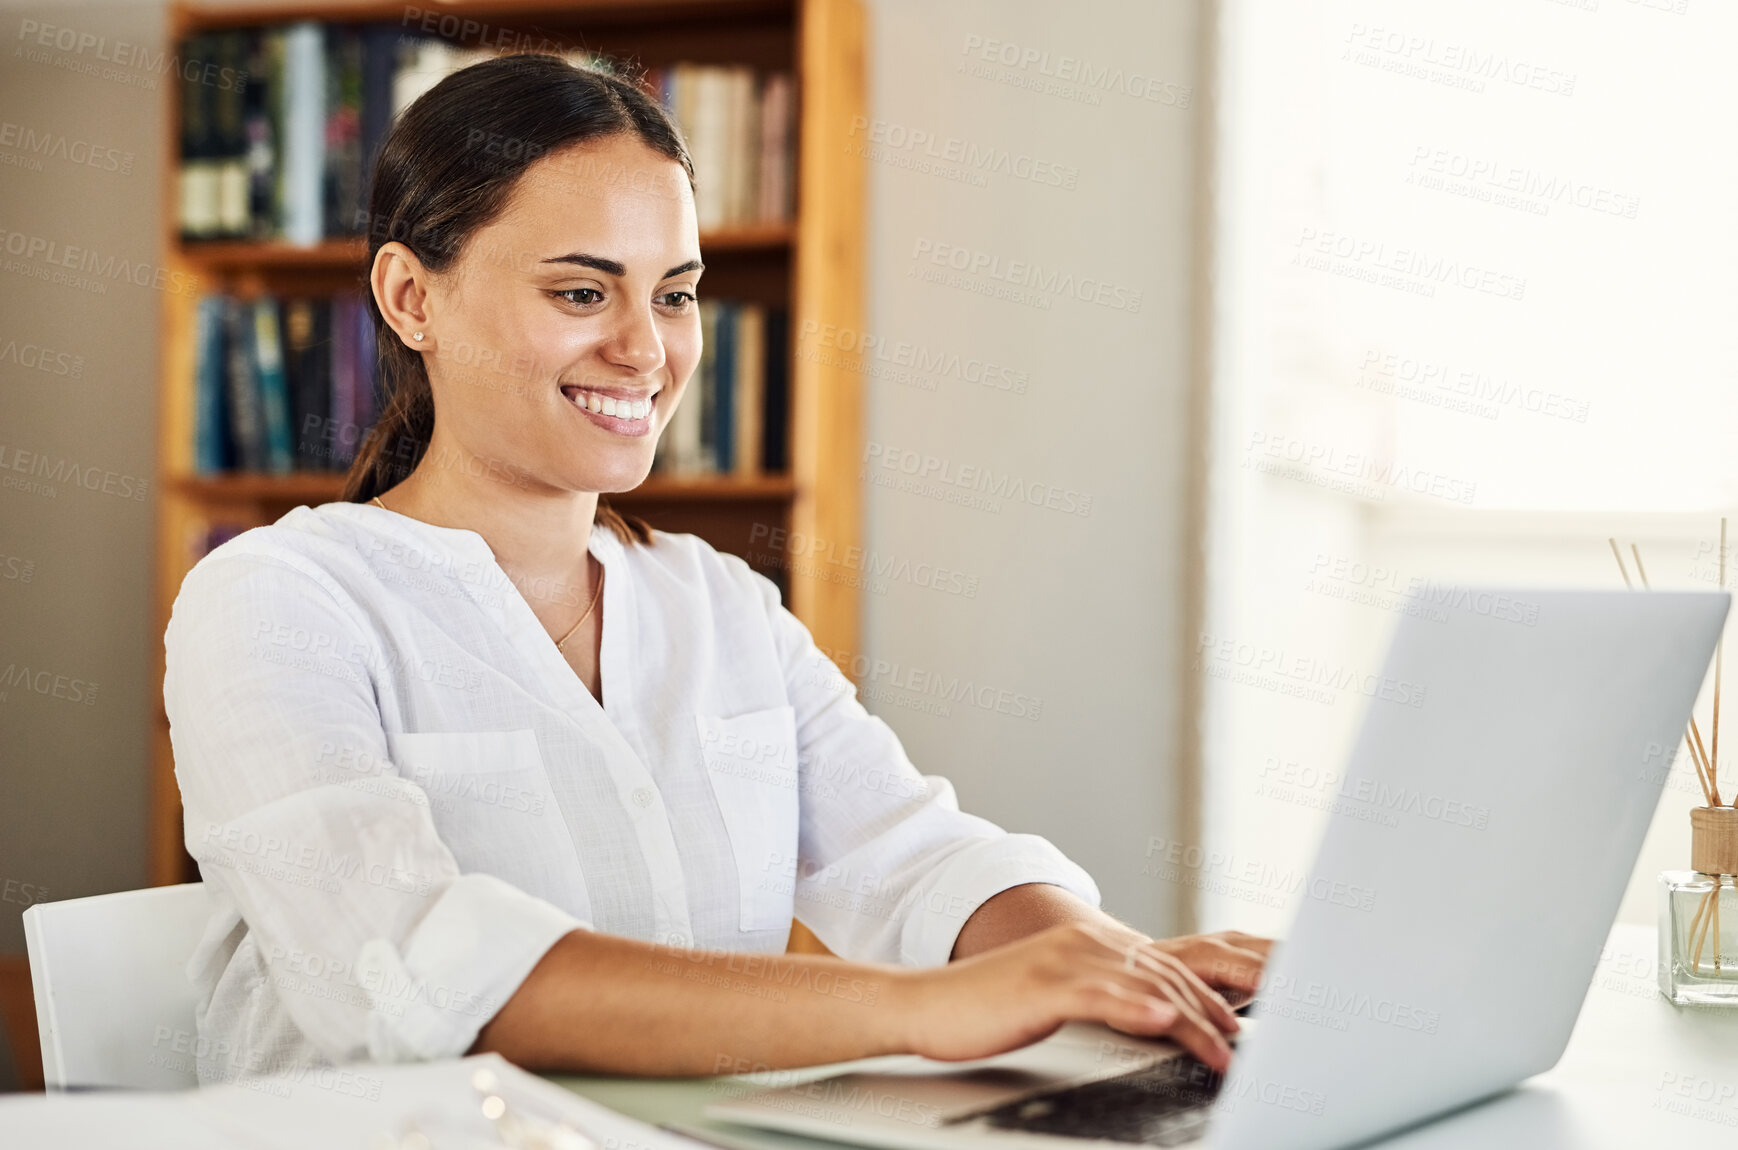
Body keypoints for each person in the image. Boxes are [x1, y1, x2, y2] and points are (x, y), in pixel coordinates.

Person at [164, 52, 1269, 1084]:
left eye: (677, 292)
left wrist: (1126, 967)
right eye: (581, 293)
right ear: (412, 299)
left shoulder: (721, 606)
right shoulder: (276, 601)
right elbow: (411, 964)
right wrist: (914, 1009)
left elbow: (917, 857)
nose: (646, 349)